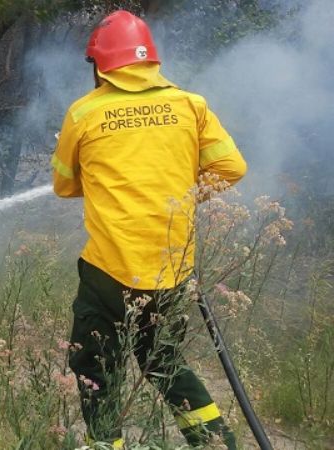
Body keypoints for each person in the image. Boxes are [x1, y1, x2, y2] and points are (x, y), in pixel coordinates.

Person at [51, 10, 247, 449]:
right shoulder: (188, 104)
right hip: (172, 268)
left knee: (93, 366)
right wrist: (179, 194)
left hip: (109, 271)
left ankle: (107, 446)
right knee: (165, 363)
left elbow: (64, 185)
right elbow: (231, 167)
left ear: (100, 65)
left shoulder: (85, 112)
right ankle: (218, 443)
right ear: (150, 62)